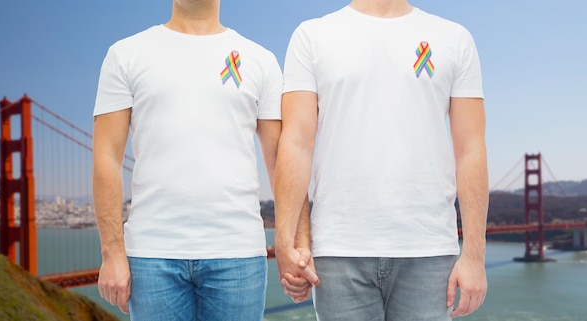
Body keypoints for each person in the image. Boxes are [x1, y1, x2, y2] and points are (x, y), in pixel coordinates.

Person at [274, 0, 489, 320]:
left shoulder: (454, 39)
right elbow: (295, 144)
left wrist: (474, 255)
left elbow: (470, 149)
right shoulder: (312, 36)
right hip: (337, 250)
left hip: (429, 250)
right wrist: (284, 241)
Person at [91, 0, 283, 320]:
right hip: (151, 256)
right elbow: (106, 157)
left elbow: (280, 159)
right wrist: (112, 253)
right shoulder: (125, 54)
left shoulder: (261, 60)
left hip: (238, 254)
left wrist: (292, 241)